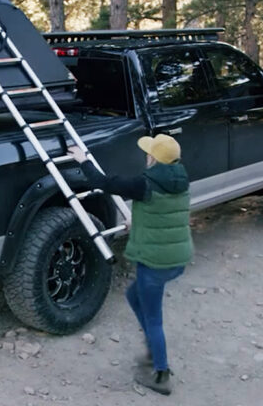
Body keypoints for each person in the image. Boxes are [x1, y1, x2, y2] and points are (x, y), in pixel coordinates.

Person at [68, 134, 192, 396]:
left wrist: (82, 159)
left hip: (155, 263)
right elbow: (164, 213)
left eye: (148, 153)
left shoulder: (143, 184)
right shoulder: (180, 180)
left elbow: (102, 183)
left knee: (154, 318)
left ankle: (161, 373)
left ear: (152, 158)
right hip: (177, 258)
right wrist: (137, 223)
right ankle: (153, 350)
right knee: (134, 296)